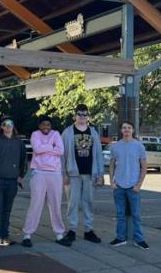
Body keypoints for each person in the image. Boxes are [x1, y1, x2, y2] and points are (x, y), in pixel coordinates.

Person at [22, 116, 72, 247]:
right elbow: (36, 149)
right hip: (38, 172)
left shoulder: (56, 134)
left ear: (51, 126)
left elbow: (60, 150)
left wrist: (45, 147)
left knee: (55, 204)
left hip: (55, 173)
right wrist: (51, 146)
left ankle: (59, 234)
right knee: (35, 204)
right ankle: (27, 234)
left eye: (48, 125)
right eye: (43, 124)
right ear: (39, 126)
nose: (46, 127)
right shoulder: (35, 134)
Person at [61, 104, 104, 244]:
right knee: (72, 203)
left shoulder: (93, 132)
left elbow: (98, 154)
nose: (82, 117)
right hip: (72, 173)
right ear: (75, 116)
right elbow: (62, 155)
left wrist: (100, 173)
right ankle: (72, 230)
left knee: (88, 202)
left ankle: (88, 230)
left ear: (88, 116)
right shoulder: (67, 132)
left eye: (85, 114)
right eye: (79, 114)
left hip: (90, 173)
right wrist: (63, 173)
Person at [0, 117, 27, 249]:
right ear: (1, 127)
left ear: (13, 126)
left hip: (12, 181)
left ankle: (4, 236)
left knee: (7, 210)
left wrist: (21, 175)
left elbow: (23, 160)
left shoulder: (19, 143)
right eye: (5, 124)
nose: (8, 126)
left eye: (10, 124)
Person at [109, 121, 149, 250]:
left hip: (133, 186)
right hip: (119, 186)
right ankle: (120, 238)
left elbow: (144, 167)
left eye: (129, 128)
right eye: (124, 128)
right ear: (121, 130)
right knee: (120, 214)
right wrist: (112, 182)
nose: (126, 130)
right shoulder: (115, 146)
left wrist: (138, 185)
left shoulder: (139, 146)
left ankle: (139, 239)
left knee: (136, 215)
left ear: (132, 130)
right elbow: (111, 165)